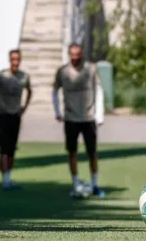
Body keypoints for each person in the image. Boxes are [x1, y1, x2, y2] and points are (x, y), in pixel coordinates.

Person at [52, 43, 106, 198]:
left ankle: (95, 185)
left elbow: (99, 89)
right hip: (70, 118)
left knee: (92, 152)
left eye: (78, 55)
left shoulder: (91, 69)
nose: (75, 58)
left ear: (81, 54)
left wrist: (99, 114)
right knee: (72, 153)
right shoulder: (62, 71)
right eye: (73, 55)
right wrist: (57, 111)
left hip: (88, 117)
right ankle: (75, 184)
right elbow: (55, 90)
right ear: (69, 54)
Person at [0, 49, 32, 190]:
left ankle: (9, 178)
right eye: (13, 59)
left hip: (15, 115)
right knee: (3, 148)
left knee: (12, 148)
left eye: (17, 59)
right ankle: (5, 180)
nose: (15, 62)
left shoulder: (24, 77)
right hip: (3, 114)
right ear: (10, 60)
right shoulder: (1, 76)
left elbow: (29, 91)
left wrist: (24, 107)